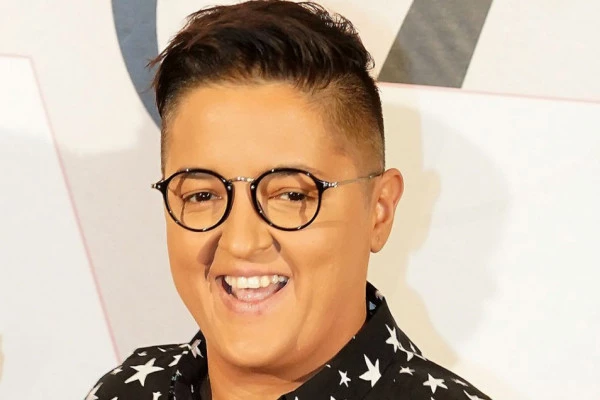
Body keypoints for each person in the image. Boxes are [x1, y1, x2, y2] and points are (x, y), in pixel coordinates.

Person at [86, 1, 491, 399]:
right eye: (202, 194)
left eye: (292, 195)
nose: (240, 241)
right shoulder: (126, 391)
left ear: (379, 211)